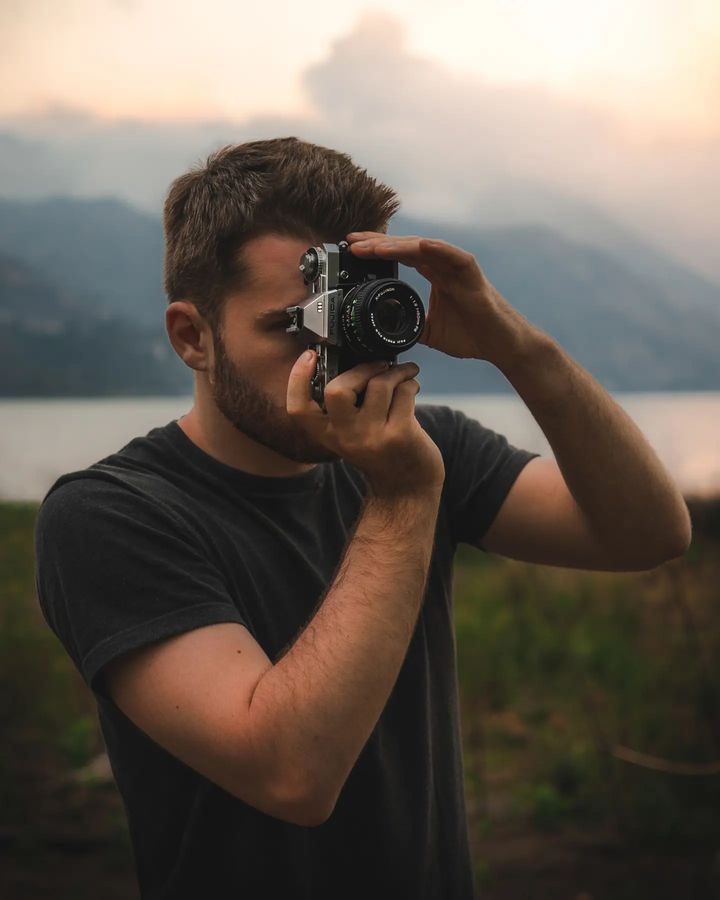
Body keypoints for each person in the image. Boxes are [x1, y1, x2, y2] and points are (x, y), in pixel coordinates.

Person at [34, 137, 692, 899]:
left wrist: (519, 348)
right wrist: (404, 498)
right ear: (193, 337)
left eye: (342, 318)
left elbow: (649, 532)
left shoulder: (424, 447)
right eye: (293, 326)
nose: (328, 356)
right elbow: (290, 775)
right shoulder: (111, 515)